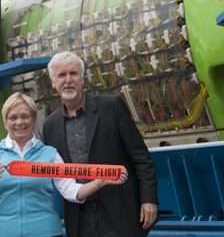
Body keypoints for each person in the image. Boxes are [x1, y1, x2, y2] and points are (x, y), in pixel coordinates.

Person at [0, 92, 127, 237]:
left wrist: (100, 181)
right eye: (13, 117)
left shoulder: (50, 154)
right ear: (5, 122)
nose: (19, 122)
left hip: (46, 232)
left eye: (25, 116)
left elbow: (70, 190)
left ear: (33, 119)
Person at [43, 51, 158, 237]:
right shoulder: (50, 125)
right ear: (53, 83)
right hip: (79, 218)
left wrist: (149, 199)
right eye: (61, 75)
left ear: (83, 79)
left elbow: (140, 157)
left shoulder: (111, 107)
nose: (68, 80)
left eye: (73, 73)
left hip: (118, 213)